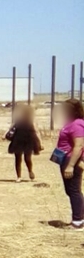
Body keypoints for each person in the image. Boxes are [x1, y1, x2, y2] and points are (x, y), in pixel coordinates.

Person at [54, 98, 84, 230]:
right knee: (71, 191)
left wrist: (71, 165)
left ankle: (78, 222)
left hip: (71, 160)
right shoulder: (70, 123)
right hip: (65, 158)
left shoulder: (77, 124)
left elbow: (79, 146)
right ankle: (80, 217)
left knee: (74, 191)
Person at [6, 104, 42, 182]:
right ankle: (19, 176)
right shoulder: (19, 119)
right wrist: (5, 134)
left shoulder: (32, 120)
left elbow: (37, 131)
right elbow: (11, 127)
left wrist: (40, 143)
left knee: (27, 158)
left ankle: (30, 171)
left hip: (28, 140)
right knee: (18, 158)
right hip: (18, 140)